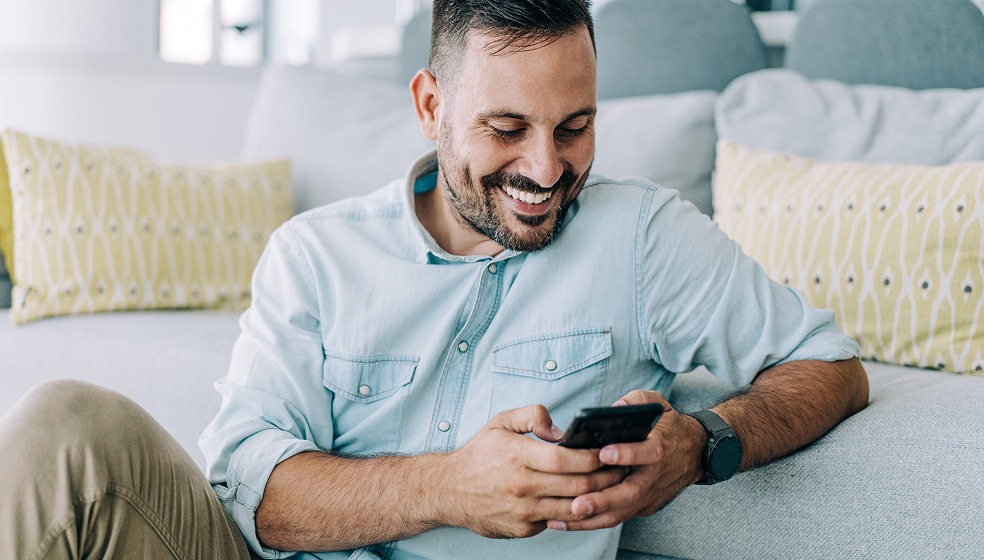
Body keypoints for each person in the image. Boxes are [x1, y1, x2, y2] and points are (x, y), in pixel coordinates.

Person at [0, 1, 869, 559]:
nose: (546, 169)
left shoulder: (643, 238)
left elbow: (829, 363)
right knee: (63, 423)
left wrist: (704, 443)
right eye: (507, 129)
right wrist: (452, 486)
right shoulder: (315, 256)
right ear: (430, 106)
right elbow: (254, 495)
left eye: (574, 127)